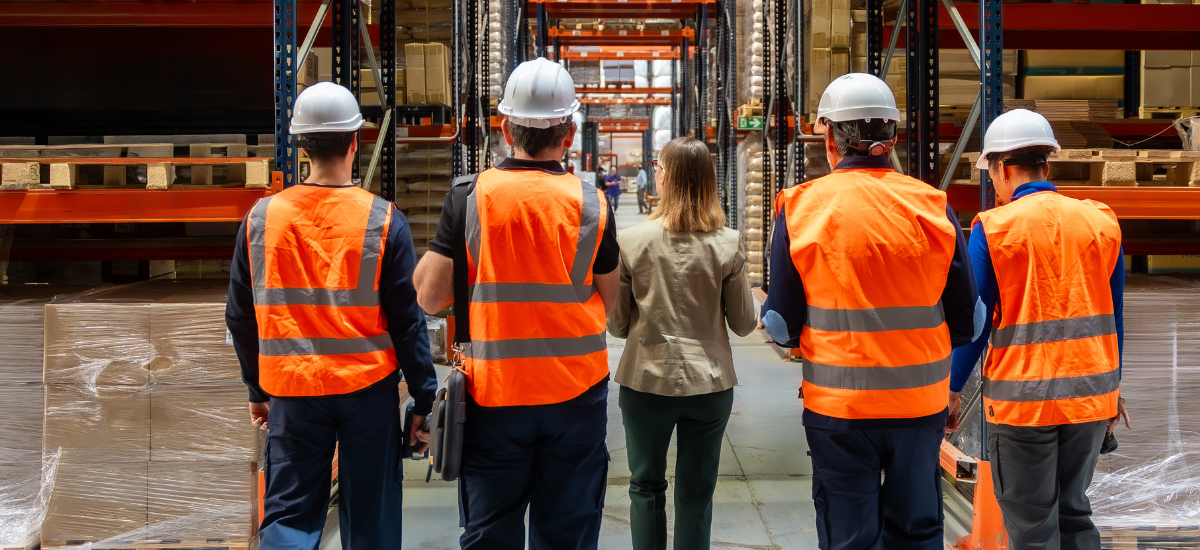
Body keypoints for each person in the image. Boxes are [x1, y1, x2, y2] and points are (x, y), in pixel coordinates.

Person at [760, 73, 979, 550]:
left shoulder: (800, 208)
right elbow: (970, 320)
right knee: (915, 531)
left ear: (828, 136)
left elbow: (779, 324)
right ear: (893, 137)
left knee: (849, 535)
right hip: (920, 405)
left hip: (839, 410)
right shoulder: (933, 207)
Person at [411, 57, 620, 550]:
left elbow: (428, 296)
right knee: (567, 533)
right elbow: (611, 302)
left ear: (506, 128)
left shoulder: (468, 198)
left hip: (493, 398)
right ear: (569, 134)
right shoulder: (591, 205)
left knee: (490, 534)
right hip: (575, 395)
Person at [225, 81, 436, 550]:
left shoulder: (261, 219)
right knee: (372, 519)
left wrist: (257, 388)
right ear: (355, 140)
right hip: (367, 394)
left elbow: (240, 317)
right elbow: (407, 321)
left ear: (301, 142)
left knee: (289, 518)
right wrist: (424, 398)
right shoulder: (383, 220)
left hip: (292, 392)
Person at [949, 109, 1127, 550]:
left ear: (1003, 169)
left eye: (991, 173)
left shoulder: (993, 228)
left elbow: (974, 324)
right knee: (1074, 514)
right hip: (1089, 398)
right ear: (1046, 164)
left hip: (1023, 405)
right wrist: (1112, 390)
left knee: (1032, 527)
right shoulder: (1101, 221)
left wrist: (951, 389)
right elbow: (1114, 315)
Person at [607, 137, 757, 550]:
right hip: (709, 387)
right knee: (695, 495)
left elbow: (618, 326)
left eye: (658, 167)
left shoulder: (631, 241)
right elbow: (744, 323)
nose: (654, 172)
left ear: (667, 178)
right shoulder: (728, 242)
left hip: (644, 384)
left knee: (645, 486)